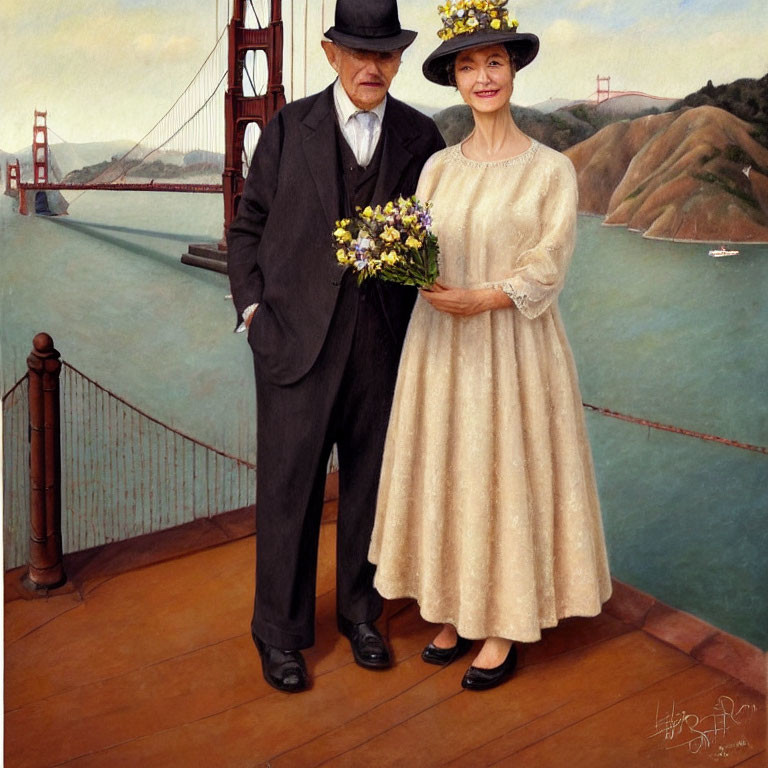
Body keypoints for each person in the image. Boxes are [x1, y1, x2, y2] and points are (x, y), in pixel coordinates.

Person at [369, 0, 612, 692]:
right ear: (454, 79)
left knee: (501, 473)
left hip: (513, 348)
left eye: (495, 62)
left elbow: (549, 263)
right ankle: (451, 611)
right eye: (469, 65)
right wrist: (420, 278)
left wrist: (485, 296)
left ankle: (502, 625)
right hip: (442, 347)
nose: (483, 77)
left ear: (513, 72)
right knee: (448, 468)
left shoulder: (550, 170)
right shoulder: (438, 169)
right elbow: (419, 243)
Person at [227, 0, 445, 693]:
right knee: (288, 493)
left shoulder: (423, 138)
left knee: (370, 493)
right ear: (330, 55)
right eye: (358, 51)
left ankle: (361, 615)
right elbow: (246, 228)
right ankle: (281, 636)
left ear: (400, 59)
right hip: (293, 347)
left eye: (384, 53)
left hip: (383, 349)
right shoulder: (289, 129)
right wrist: (256, 315)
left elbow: (439, 239)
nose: (372, 65)